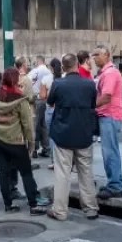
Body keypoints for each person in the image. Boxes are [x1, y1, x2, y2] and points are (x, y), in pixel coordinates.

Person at [46, 54, 99, 221]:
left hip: (63, 134)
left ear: (63, 68)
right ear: (77, 65)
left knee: (62, 173)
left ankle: (60, 211)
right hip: (84, 134)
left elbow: (50, 102)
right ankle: (90, 209)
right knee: (86, 172)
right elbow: (92, 104)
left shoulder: (58, 84)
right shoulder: (89, 84)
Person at [0, 68, 48, 215]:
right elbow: (27, 125)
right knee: (26, 173)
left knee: (4, 172)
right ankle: (33, 205)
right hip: (15, 142)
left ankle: (8, 205)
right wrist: (31, 143)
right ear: (16, 80)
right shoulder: (20, 100)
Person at [92, 45, 122, 199]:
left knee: (109, 151)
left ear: (107, 55)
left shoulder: (110, 73)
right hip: (109, 115)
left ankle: (115, 186)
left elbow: (106, 96)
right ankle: (116, 183)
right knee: (111, 151)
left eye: (97, 54)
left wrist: (89, 106)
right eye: (93, 55)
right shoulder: (106, 72)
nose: (94, 58)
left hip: (109, 116)